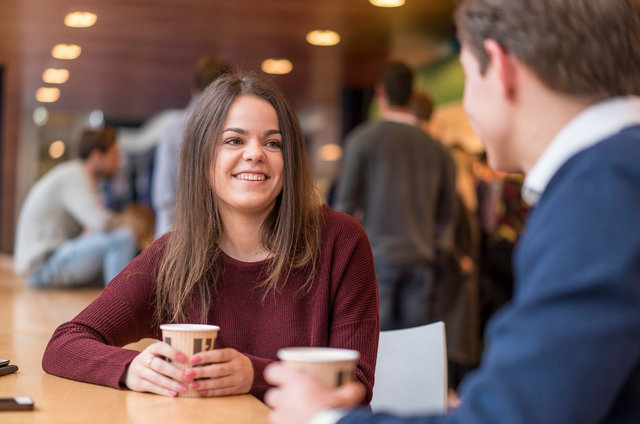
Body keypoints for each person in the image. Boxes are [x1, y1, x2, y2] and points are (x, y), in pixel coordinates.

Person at [264, 0, 640, 423]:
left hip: (383, 262)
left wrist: (323, 417)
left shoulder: (601, 192)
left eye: (466, 74)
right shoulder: (614, 177)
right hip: (427, 262)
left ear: (499, 67)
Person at [42, 73, 379, 402]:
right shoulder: (173, 256)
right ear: (202, 158)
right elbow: (65, 343)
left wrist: (252, 375)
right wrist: (131, 368)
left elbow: (356, 386)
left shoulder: (341, 241)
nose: (255, 153)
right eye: (234, 140)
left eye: (273, 142)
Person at [333, 61, 456, 331]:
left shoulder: (362, 140)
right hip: (421, 258)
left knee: (378, 349)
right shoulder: (438, 149)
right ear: (413, 96)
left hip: (375, 259)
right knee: (416, 347)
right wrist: (437, 251)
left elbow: (344, 207)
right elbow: (447, 211)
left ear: (380, 93)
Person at [14, 127, 137, 288]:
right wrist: (132, 224)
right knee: (124, 238)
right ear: (96, 156)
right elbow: (101, 223)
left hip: (43, 264)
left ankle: (116, 298)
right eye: (115, 155)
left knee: (113, 263)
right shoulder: (76, 176)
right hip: (41, 267)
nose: (119, 162)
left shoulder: (77, 175)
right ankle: (119, 306)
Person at [152, 55, 232, 238]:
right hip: (223, 231)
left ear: (194, 89)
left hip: (176, 229)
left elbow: (164, 192)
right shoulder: (234, 125)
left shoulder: (173, 128)